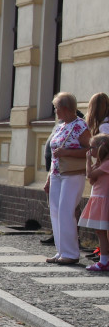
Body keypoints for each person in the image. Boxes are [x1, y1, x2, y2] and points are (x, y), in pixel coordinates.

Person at [43, 92, 91, 265]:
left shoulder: (80, 126)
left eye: (56, 108)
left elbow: (89, 150)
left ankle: (71, 253)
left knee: (66, 211)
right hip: (56, 174)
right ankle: (61, 251)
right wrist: (48, 178)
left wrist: (68, 152)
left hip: (73, 174)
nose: (55, 111)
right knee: (55, 211)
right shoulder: (61, 126)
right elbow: (55, 155)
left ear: (64, 108)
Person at [80, 134, 109, 272]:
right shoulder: (101, 164)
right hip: (98, 198)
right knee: (100, 231)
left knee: (102, 232)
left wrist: (87, 161)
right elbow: (92, 181)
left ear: (101, 147)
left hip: (103, 200)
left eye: (92, 148)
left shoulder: (107, 163)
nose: (89, 151)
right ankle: (104, 260)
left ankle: (104, 261)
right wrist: (94, 163)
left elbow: (89, 175)